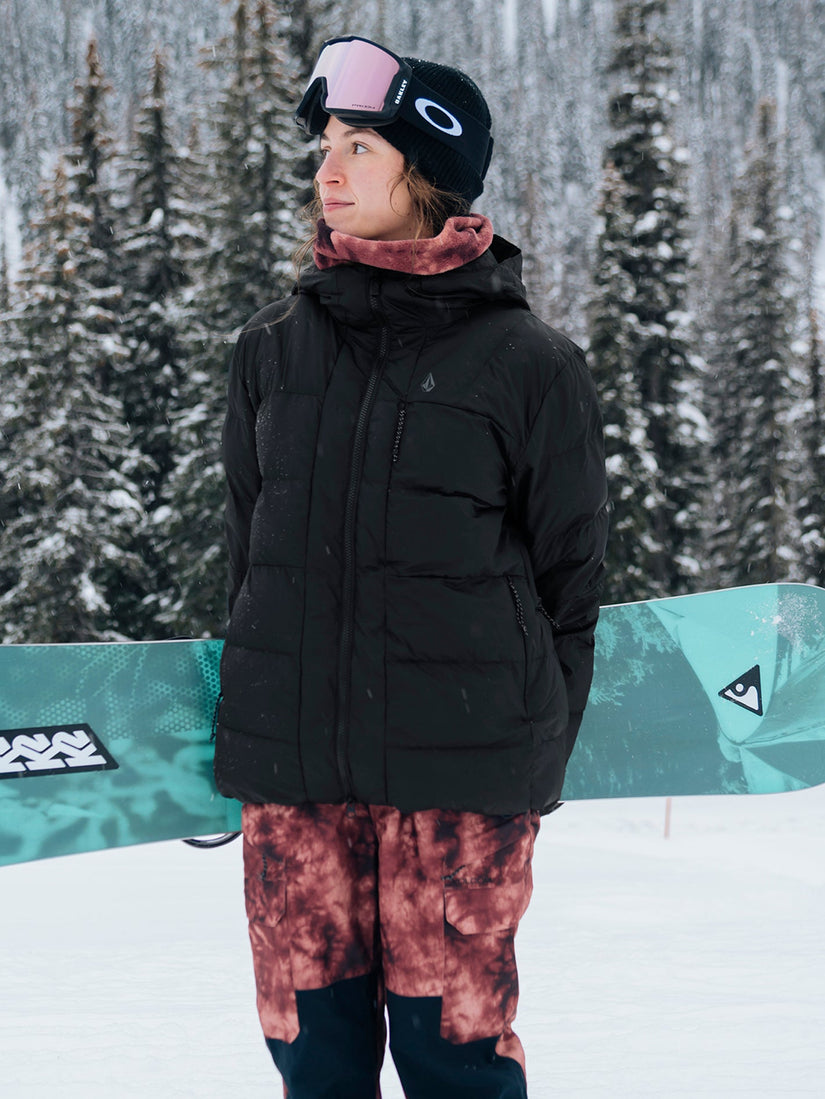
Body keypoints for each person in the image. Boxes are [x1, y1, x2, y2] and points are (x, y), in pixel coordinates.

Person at [215, 34, 609, 1099]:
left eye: (361, 148)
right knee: (315, 1066)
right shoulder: (271, 349)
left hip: (460, 793)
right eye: (326, 148)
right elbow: (249, 557)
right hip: (295, 790)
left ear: (428, 174)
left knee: (456, 1066)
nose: (328, 170)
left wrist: (529, 758)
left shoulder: (531, 366)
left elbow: (571, 583)